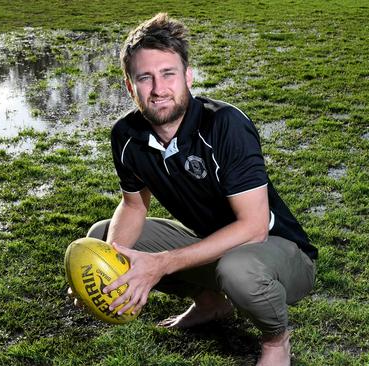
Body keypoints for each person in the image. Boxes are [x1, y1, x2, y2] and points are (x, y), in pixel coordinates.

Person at [81, 13, 318, 365]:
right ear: (131, 86)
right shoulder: (126, 135)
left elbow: (253, 228)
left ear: (188, 77)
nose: (158, 89)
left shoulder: (225, 125)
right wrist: (103, 269)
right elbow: (133, 207)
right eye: (145, 78)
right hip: (223, 249)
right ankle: (211, 304)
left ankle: (276, 341)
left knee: (238, 270)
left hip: (280, 254)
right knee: (104, 238)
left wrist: (161, 263)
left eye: (168, 74)